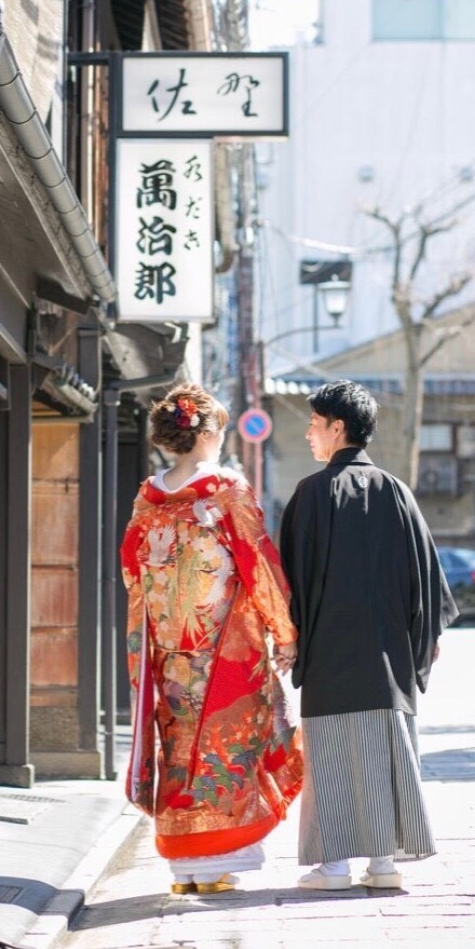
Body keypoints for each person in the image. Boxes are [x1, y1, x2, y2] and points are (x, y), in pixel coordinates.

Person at [121, 382, 303, 895]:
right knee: (227, 748)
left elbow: (133, 569)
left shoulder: (148, 495)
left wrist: (163, 618)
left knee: (178, 749)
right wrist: (283, 630)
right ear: (206, 433)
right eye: (219, 428)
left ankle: (185, 869)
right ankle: (218, 861)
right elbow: (257, 561)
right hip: (225, 643)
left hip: (168, 646)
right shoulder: (225, 489)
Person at [278, 380, 458, 891]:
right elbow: (425, 575)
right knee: (383, 752)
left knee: (332, 755)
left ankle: (333, 865)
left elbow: (288, 577)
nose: (310, 433)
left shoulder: (311, 494)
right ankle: (383, 862)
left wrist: (288, 637)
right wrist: (424, 639)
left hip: (329, 654)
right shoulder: (395, 491)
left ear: (338, 428)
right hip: (387, 657)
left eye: (315, 424)